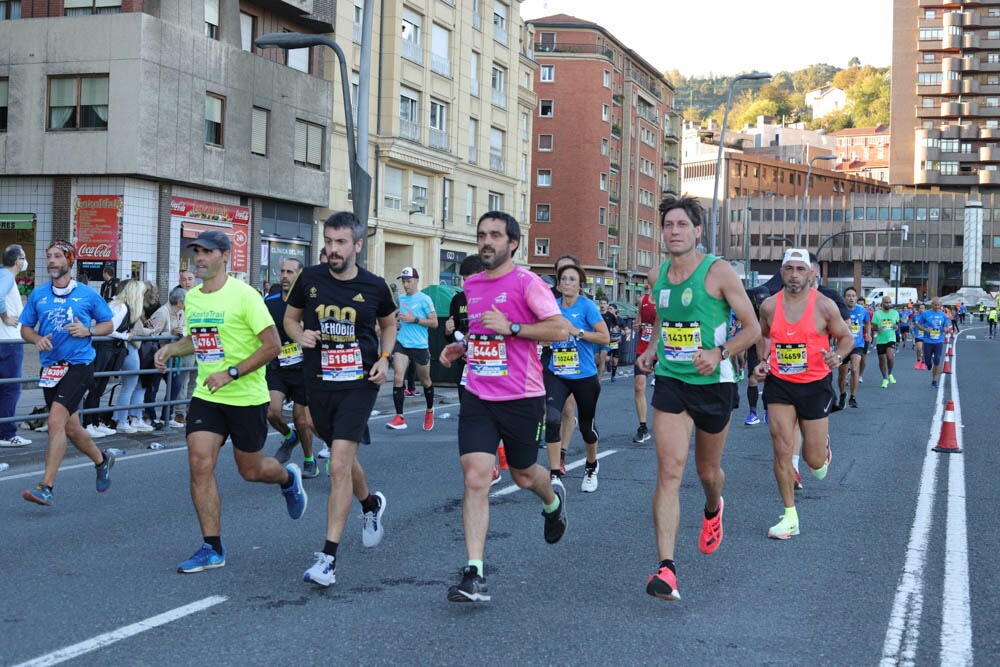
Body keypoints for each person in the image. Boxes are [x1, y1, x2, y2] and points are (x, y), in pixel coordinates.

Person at [153, 230, 307, 573]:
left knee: (251, 470)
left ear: (226, 256)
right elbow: (198, 340)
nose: (199, 258)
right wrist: (171, 348)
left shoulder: (245, 296)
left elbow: (271, 346)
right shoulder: (193, 298)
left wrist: (232, 373)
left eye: (207, 252)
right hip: (208, 394)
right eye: (197, 252)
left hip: (245, 395)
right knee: (199, 462)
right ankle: (212, 546)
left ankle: (287, 478)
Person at [634, 195, 760, 602]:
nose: (673, 232)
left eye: (681, 225)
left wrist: (719, 353)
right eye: (668, 225)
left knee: (708, 472)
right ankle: (666, 569)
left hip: (714, 383)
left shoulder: (718, 272)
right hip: (671, 380)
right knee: (670, 469)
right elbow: (665, 323)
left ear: (697, 231)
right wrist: (653, 348)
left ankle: (713, 506)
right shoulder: (658, 275)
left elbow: (753, 328)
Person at [439, 211, 569, 602]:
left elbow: (559, 329)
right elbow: (482, 332)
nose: (487, 241)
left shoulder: (527, 283)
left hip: (522, 397)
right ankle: (473, 572)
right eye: (481, 235)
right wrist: (463, 347)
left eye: (495, 235)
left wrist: (513, 328)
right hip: (479, 393)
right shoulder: (472, 284)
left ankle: (553, 501)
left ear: (513, 243)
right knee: (476, 476)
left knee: (525, 474)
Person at [283, 212, 397, 587]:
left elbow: (389, 323)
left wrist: (384, 359)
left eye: (341, 242)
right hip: (319, 380)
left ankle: (328, 558)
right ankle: (370, 505)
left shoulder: (375, 286)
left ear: (357, 245)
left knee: (338, 465)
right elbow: (290, 319)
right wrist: (299, 335)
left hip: (359, 382)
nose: (332, 249)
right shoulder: (310, 279)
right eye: (328, 241)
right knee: (339, 453)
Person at [753, 248, 853, 540]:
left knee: (814, 461)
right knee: (782, 449)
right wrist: (763, 362)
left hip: (815, 384)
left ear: (811, 274)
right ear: (781, 273)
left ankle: (822, 452)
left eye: (800, 269)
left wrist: (838, 355)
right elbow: (765, 334)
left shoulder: (824, 306)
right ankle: (790, 515)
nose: (794, 275)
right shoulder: (769, 306)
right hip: (781, 384)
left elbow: (846, 337)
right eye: (789, 269)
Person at [19, 241, 116, 506]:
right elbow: (25, 328)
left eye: (57, 256)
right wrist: (36, 338)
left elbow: (108, 324)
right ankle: (102, 460)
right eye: (48, 256)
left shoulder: (87, 294)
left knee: (54, 422)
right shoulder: (39, 295)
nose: (51, 261)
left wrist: (89, 331)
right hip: (51, 367)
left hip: (79, 365)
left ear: (69, 261)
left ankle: (46, 485)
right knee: (71, 427)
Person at [544, 263, 610, 492]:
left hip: (584, 375)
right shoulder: (552, 307)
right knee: (552, 420)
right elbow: (543, 333)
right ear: (559, 284)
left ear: (580, 284)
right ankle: (554, 474)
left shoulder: (587, 307)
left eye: (572, 279)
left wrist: (577, 331)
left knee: (586, 427)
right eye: (563, 279)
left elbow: (605, 337)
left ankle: (591, 465)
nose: (567, 283)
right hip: (558, 372)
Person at [265, 258, 318, 478]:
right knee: (272, 412)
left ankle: (309, 459)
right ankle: (289, 437)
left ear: (300, 275)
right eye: (282, 271)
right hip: (279, 366)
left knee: (301, 418)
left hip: (303, 368)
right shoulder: (270, 301)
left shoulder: (310, 303)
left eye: (290, 272)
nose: (285, 276)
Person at [386, 267, 438, 431]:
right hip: (402, 344)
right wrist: (397, 323)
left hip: (420, 345)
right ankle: (399, 417)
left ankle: (429, 410)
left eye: (409, 281)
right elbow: (396, 318)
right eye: (403, 281)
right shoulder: (401, 299)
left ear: (416, 281)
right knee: (397, 378)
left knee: (425, 381)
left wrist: (414, 319)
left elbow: (435, 323)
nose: (406, 285)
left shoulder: (425, 299)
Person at [110, 280, 156, 434]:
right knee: (130, 385)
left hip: (128, 348)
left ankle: (125, 418)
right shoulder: (126, 308)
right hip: (129, 348)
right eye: (142, 293)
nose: (144, 296)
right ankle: (123, 420)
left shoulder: (123, 306)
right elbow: (114, 329)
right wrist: (152, 331)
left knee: (131, 385)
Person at [0, 244, 31, 447]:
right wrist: (6, 317)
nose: (25, 260)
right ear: (17, 261)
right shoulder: (7, 277)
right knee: (12, 388)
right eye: (24, 257)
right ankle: (7, 433)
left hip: (4, 340)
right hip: (9, 341)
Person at [835, 287, 870, 410]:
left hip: (857, 344)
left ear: (856, 297)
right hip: (843, 345)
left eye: (853, 295)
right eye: (848, 295)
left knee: (855, 369)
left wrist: (868, 333)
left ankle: (853, 397)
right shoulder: (839, 311)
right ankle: (843, 394)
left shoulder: (862, 310)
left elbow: (867, 322)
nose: (851, 298)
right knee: (842, 374)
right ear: (845, 298)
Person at [171, 270, 198, 427]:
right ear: (180, 281)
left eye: (190, 279)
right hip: (185, 343)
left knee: (196, 379)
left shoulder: (201, 296)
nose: (187, 282)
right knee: (183, 379)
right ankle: (179, 412)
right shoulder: (176, 297)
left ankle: (191, 409)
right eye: (184, 279)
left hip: (201, 343)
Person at [632, 285, 657, 443]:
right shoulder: (644, 300)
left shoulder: (667, 300)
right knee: (639, 386)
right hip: (643, 348)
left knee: (666, 389)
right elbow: (637, 322)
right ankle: (643, 427)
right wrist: (636, 326)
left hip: (662, 350)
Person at [915, 297, 950, 388]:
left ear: (941, 305)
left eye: (939, 305)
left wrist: (946, 329)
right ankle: (928, 364)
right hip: (927, 341)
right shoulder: (926, 314)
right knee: (927, 361)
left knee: (937, 360)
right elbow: (918, 324)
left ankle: (934, 380)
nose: (937, 306)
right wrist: (925, 329)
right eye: (935, 304)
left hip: (939, 340)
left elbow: (946, 326)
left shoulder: (943, 315)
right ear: (932, 305)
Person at [872, 295, 900, 389]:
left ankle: (890, 373)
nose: (888, 304)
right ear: (882, 303)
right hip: (881, 340)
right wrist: (877, 329)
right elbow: (873, 326)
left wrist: (896, 327)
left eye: (889, 302)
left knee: (890, 356)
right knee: (882, 360)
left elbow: (897, 324)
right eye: (886, 302)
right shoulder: (877, 314)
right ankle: (884, 378)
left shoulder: (895, 313)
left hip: (891, 337)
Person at [913, 302, 926, 369]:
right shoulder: (915, 316)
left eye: (922, 308)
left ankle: (923, 362)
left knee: (924, 349)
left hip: (926, 335)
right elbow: (912, 322)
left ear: (925, 309)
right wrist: (912, 327)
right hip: (918, 334)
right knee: (919, 348)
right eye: (920, 308)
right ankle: (918, 361)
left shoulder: (927, 316)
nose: (921, 309)